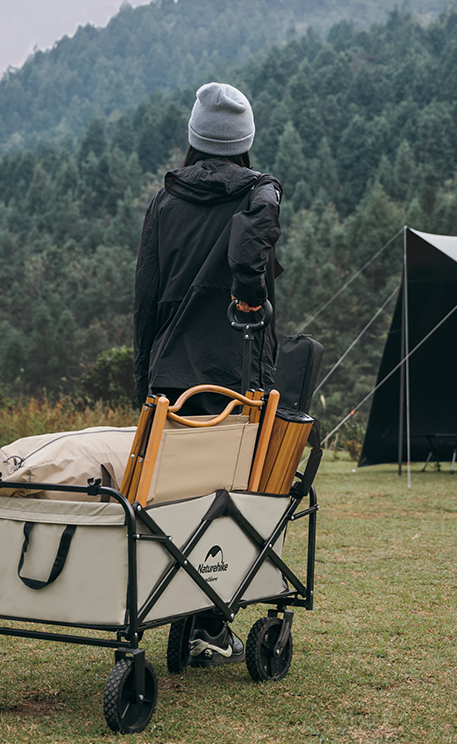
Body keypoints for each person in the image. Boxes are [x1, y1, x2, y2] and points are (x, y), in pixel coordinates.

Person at [133, 82, 283, 665]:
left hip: (170, 381)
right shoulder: (259, 195)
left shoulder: (164, 203)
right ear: (244, 142)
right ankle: (209, 627)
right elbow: (249, 259)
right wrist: (251, 302)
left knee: (174, 500)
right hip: (236, 380)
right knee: (233, 501)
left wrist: (144, 381)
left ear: (196, 138)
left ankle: (172, 612)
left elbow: (145, 300)